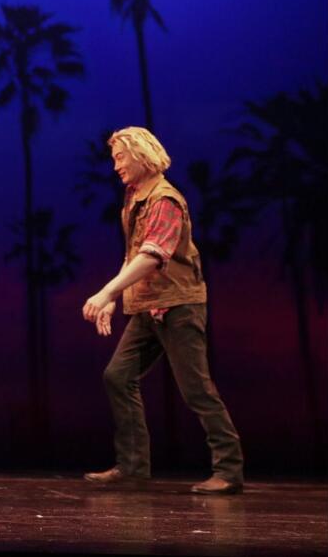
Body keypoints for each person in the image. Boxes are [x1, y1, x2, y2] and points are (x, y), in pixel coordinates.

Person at [82, 126, 244, 495]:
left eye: (120, 158)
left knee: (196, 389)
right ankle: (134, 465)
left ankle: (229, 469)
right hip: (148, 307)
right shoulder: (134, 196)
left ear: (141, 155)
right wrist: (115, 298)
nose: (116, 166)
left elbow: (153, 256)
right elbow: (134, 255)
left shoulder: (165, 200)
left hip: (178, 306)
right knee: (118, 376)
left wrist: (105, 291)